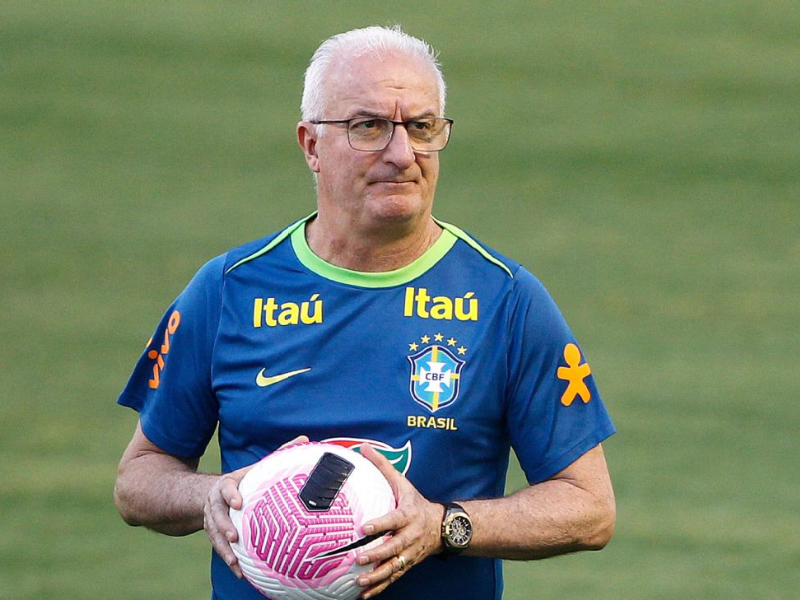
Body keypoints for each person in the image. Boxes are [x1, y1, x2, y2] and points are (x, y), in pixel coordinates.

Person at [114, 25, 616, 600]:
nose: (402, 154)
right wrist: (209, 497)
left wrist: (443, 526)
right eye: (368, 127)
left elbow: (588, 506)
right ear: (310, 145)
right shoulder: (229, 290)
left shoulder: (506, 301)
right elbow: (139, 478)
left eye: (422, 128)